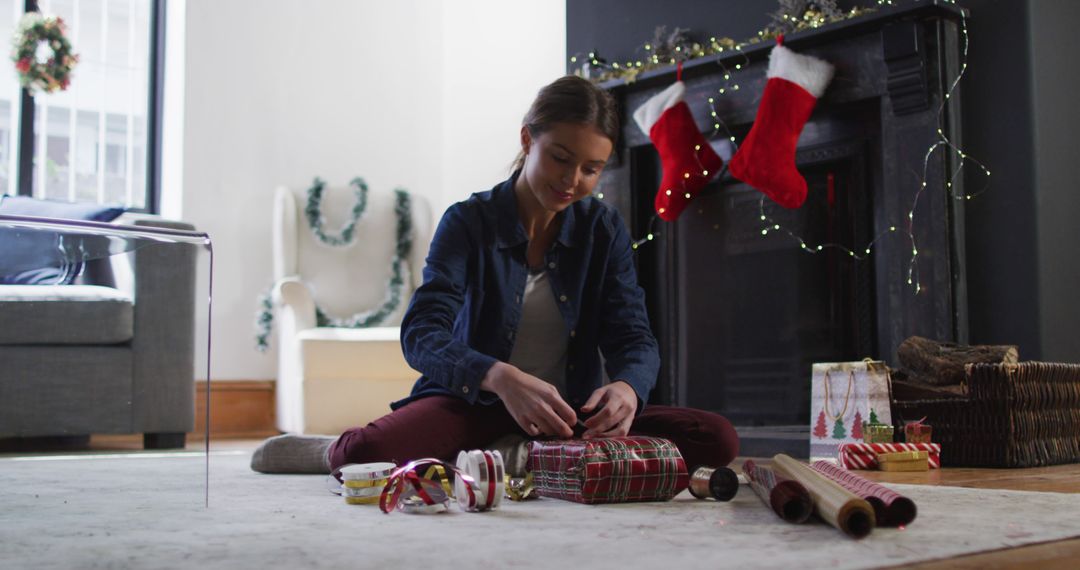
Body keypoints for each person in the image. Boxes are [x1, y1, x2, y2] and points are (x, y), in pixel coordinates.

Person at [251, 75, 739, 476]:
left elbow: (633, 335)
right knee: (359, 457)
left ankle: (517, 457)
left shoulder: (602, 228)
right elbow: (421, 333)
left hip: (569, 417)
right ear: (528, 139)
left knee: (716, 439)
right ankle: (333, 449)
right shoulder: (467, 222)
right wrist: (498, 377)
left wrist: (628, 388)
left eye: (592, 169)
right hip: (472, 406)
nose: (573, 181)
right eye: (561, 158)